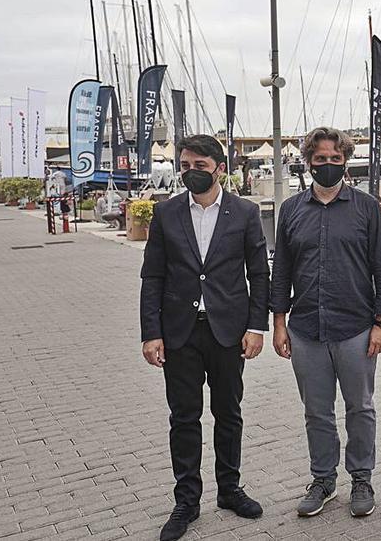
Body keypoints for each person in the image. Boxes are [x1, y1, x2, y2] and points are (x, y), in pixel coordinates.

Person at [139, 134, 270, 541]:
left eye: (199, 165)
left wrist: (256, 326)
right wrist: (151, 332)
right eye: (185, 165)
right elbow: (153, 276)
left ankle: (229, 490)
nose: (190, 172)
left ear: (219, 167)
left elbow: (259, 274)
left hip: (228, 331)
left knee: (228, 414)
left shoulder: (245, 212)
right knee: (184, 417)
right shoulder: (166, 213)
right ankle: (187, 501)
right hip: (180, 332)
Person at [270, 126, 381, 519]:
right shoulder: (291, 210)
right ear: (308, 162)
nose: (327, 165)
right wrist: (278, 322)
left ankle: (361, 477)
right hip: (305, 328)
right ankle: (323, 479)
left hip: (356, 327)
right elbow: (281, 270)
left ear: (345, 161)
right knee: (316, 411)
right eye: (320, 159)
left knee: (360, 407)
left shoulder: (367, 208)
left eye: (334, 159)